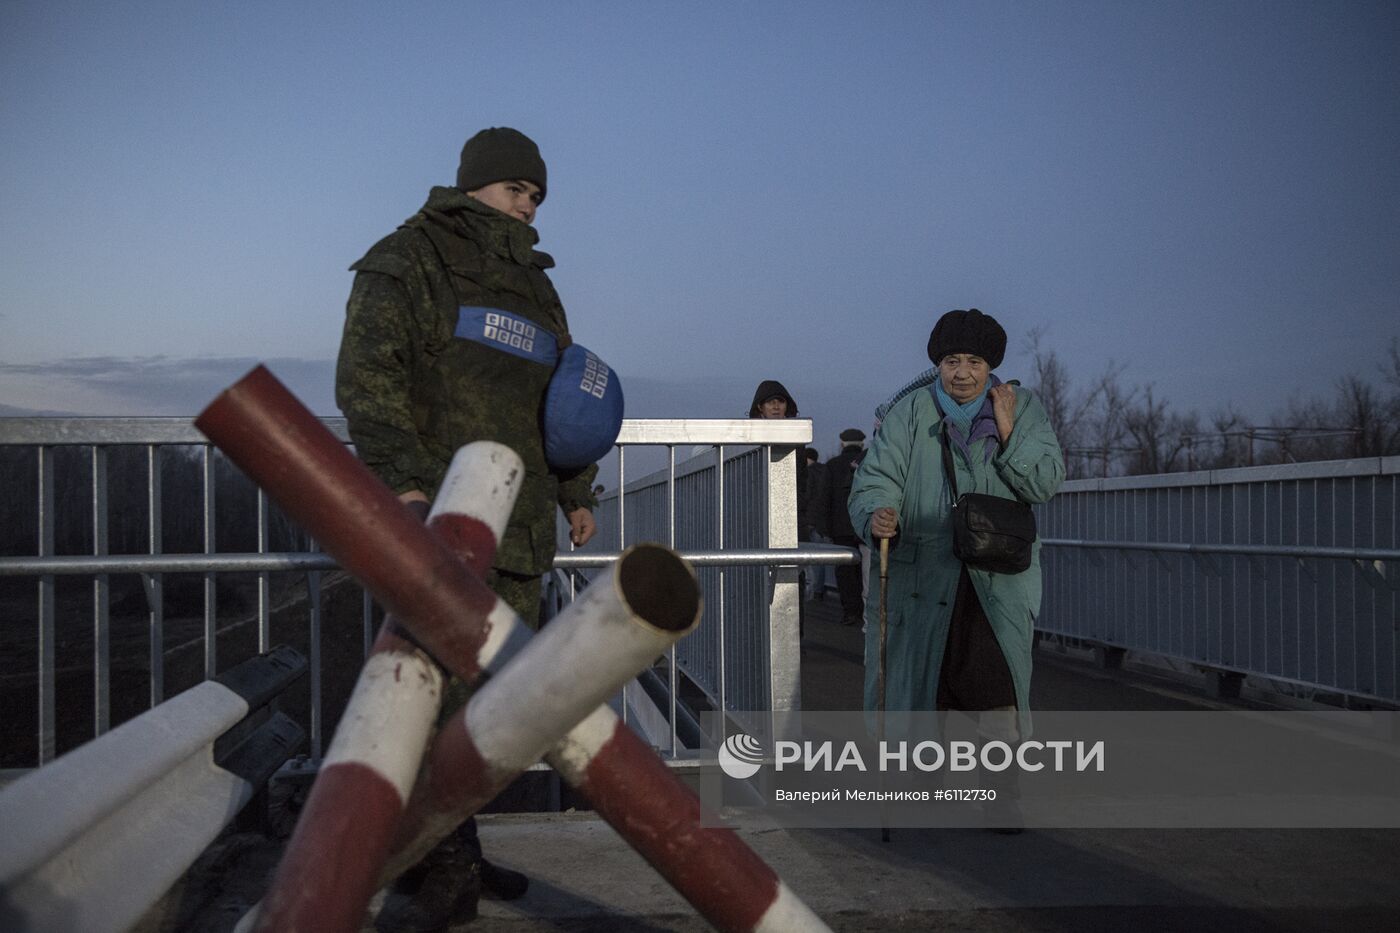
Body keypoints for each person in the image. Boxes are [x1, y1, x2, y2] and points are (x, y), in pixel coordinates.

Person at [336, 127, 599, 929]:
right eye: (518, 190)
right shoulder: (409, 257)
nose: (529, 208)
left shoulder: (535, 286)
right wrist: (407, 484)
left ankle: (453, 847)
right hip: (442, 522)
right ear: (477, 184)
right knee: (434, 698)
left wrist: (575, 488)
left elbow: (565, 403)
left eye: (537, 196)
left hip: (520, 532)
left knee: (498, 707)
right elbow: (367, 378)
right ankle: (440, 862)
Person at [847, 308, 1064, 830]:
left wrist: (1009, 432)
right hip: (924, 574)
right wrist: (875, 513)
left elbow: (1045, 483)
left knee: (999, 691)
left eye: (973, 361)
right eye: (950, 360)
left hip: (998, 579)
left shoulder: (1022, 407)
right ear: (937, 363)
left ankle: (1000, 795)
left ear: (991, 366)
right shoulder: (909, 413)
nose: (961, 372)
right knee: (921, 687)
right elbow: (876, 477)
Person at [747, 380, 808, 638]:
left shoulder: (798, 440)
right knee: (754, 581)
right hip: (754, 518)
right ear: (760, 407)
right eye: (770, 401)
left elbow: (801, 484)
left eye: (780, 401)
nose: (775, 405)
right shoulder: (748, 438)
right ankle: (758, 633)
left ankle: (792, 636)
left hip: (789, 519)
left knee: (790, 579)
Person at [822, 428, 868, 626]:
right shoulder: (869, 460)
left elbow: (824, 497)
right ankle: (866, 610)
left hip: (840, 526)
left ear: (842, 443)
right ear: (862, 443)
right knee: (865, 570)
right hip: (864, 525)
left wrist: (825, 527)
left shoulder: (832, 465)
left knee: (844, 570)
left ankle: (850, 610)